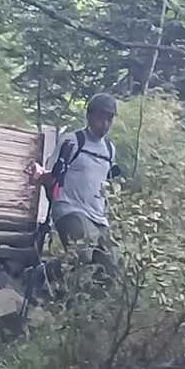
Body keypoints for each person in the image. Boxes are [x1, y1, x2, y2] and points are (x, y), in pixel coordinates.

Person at [30, 93, 121, 268]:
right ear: (89, 116)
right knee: (82, 254)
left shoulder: (109, 149)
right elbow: (51, 174)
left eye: (109, 119)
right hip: (69, 209)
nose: (105, 124)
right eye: (100, 118)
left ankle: (57, 278)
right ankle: (41, 275)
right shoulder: (72, 141)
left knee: (112, 267)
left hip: (98, 217)